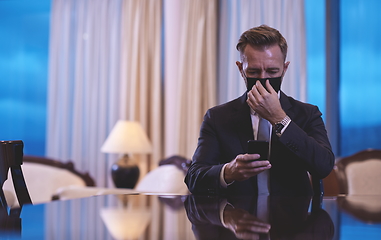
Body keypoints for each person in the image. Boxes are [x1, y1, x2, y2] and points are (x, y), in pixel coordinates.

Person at [184, 25, 335, 196]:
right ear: (241, 69)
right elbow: (194, 178)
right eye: (254, 71)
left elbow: (324, 166)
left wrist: (280, 119)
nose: (263, 78)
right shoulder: (218, 117)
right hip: (235, 216)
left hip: (292, 220)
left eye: (272, 71)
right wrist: (227, 172)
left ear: (284, 69)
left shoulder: (307, 114)